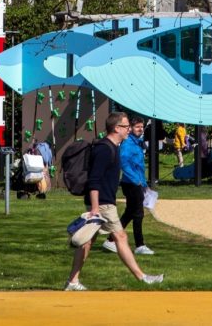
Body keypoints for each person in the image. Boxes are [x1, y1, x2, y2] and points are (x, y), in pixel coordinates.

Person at [65, 112, 163, 291]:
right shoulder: (105, 148)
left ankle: (72, 281)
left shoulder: (113, 147)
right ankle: (142, 277)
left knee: (87, 242)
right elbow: (94, 180)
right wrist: (95, 207)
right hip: (102, 203)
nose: (129, 130)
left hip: (104, 201)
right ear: (117, 128)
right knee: (120, 236)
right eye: (126, 127)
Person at [105, 116, 152, 255]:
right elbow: (124, 163)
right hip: (131, 184)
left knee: (130, 213)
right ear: (130, 128)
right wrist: (136, 181)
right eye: (137, 127)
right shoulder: (128, 144)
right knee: (138, 214)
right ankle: (139, 245)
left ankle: (110, 240)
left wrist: (144, 184)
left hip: (136, 183)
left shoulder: (137, 143)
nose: (140, 129)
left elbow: (138, 166)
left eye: (142, 127)